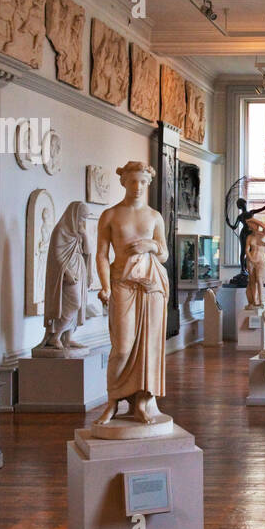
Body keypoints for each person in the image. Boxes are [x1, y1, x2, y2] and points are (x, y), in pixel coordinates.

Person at [95, 161, 169, 426]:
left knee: (149, 346)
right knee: (122, 347)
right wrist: (104, 285)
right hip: (122, 283)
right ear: (123, 182)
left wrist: (152, 245)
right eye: (133, 181)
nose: (138, 187)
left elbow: (165, 254)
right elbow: (102, 255)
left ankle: (141, 402)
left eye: (143, 182)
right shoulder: (111, 215)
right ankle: (113, 401)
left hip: (152, 285)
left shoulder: (154, 216)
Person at [38, 201, 92, 355]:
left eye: (85, 218)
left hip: (79, 268)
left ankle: (67, 337)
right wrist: (66, 272)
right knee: (73, 302)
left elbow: (87, 251)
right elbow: (56, 256)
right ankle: (54, 336)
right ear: (74, 215)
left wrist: (85, 234)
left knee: (79, 303)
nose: (83, 221)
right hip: (66, 272)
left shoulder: (78, 232)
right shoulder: (60, 230)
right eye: (81, 217)